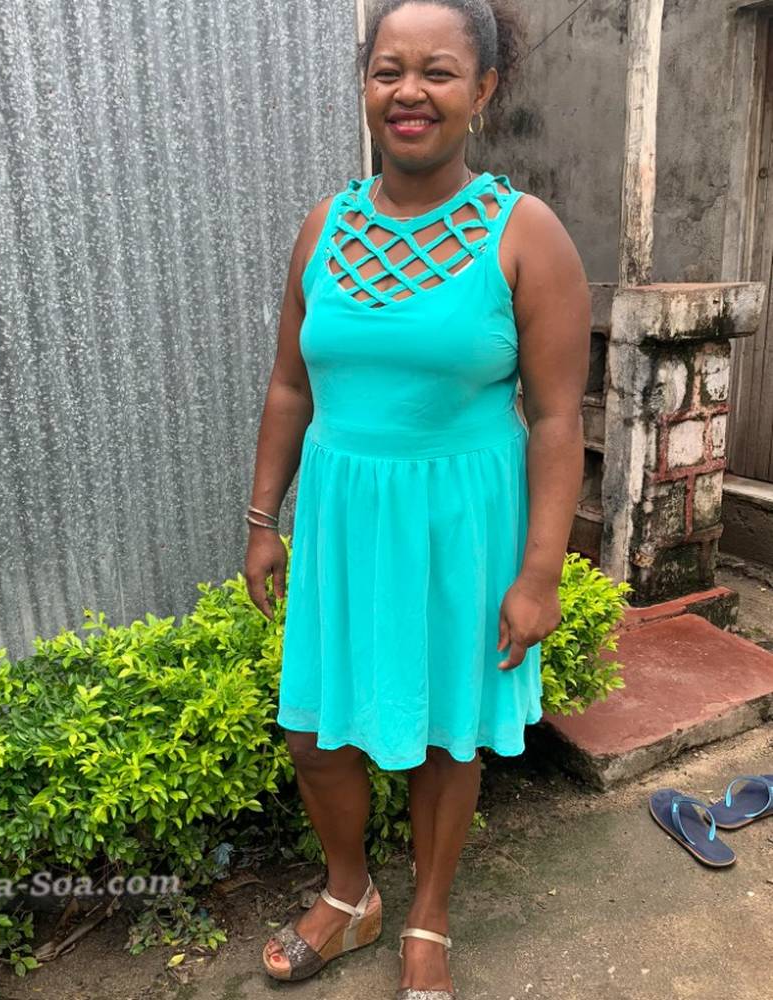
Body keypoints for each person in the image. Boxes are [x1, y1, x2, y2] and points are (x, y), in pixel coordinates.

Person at [243, 1, 590, 996]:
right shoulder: (324, 226)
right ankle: (350, 893)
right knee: (315, 733)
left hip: (459, 532)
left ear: (483, 90)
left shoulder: (526, 235)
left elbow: (557, 419)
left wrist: (539, 573)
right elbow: (290, 385)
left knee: (446, 732)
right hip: (344, 525)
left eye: (438, 71)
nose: (409, 92)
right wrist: (263, 520)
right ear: (365, 87)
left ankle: (427, 918)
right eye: (387, 69)